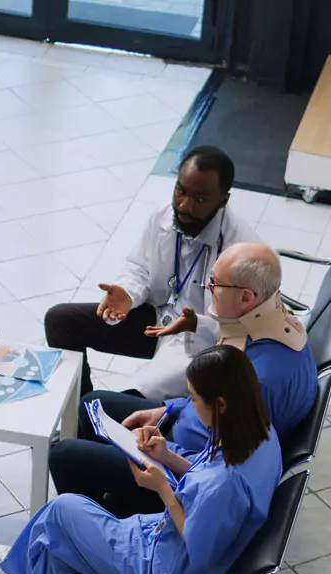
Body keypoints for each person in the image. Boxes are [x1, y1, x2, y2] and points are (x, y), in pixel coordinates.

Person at [0, 345, 282, 574]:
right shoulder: (259, 435)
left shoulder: (228, 483)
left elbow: (201, 549)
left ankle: (20, 571)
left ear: (220, 403)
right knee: (60, 540)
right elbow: (204, 480)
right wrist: (166, 457)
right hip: (165, 553)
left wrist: (162, 487)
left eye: (194, 399)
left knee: (62, 511)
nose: (190, 406)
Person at [49, 241, 317, 518]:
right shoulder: (274, 324)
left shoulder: (258, 382)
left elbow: (218, 476)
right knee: (91, 405)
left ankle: (96, 525)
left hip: (182, 477)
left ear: (246, 298)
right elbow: (212, 405)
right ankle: (105, 500)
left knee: (65, 455)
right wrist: (167, 409)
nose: (208, 290)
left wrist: (162, 454)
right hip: (186, 435)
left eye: (215, 284)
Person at [44, 146, 259, 400]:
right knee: (60, 322)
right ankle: (78, 417)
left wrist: (196, 324)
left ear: (223, 200)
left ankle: (96, 425)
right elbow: (140, 267)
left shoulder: (242, 252)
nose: (184, 205)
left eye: (200, 199)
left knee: (128, 398)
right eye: (180, 191)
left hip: (200, 342)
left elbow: (240, 329)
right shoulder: (163, 217)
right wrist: (127, 293)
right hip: (159, 319)